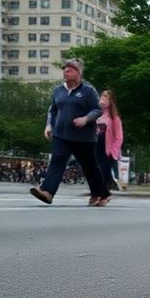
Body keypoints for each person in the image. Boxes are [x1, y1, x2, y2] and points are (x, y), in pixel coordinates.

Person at [31, 59, 110, 206]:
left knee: (90, 167)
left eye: (70, 69)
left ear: (78, 73)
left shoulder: (88, 90)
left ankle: (101, 194)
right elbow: (52, 110)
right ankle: (47, 192)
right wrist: (48, 126)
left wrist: (85, 119)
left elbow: (97, 110)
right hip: (61, 135)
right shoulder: (58, 90)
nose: (66, 71)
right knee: (57, 161)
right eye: (64, 69)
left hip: (84, 138)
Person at [96, 89, 124, 192]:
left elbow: (119, 137)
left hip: (108, 151)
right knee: (98, 171)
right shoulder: (96, 115)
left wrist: (113, 152)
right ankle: (109, 185)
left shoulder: (114, 118)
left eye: (107, 97)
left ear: (111, 100)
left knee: (102, 171)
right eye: (102, 96)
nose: (103, 98)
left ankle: (101, 193)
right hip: (96, 149)